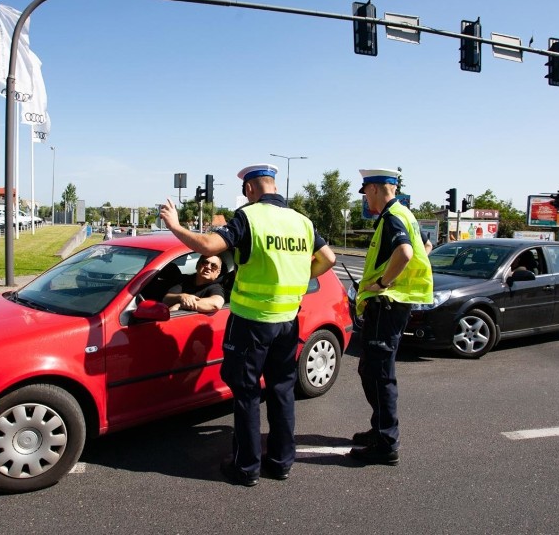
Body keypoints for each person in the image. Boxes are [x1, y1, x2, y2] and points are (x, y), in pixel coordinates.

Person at [159, 163, 335, 486]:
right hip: (288, 322)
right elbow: (329, 259)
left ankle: (246, 467)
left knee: (247, 393)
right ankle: (281, 463)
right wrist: (297, 279)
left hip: (252, 324)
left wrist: (175, 226)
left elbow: (210, 246)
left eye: (245, 192)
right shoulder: (302, 222)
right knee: (282, 391)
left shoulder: (249, 217)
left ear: (251, 189)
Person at [351, 168, 433, 466]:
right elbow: (426, 247)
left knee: (378, 373)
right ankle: (379, 430)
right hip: (394, 305)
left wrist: (384, 283)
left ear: (374, 188)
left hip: (387, 303)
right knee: (371, 370)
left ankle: (386, 442)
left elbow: (406, 252)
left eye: (365, 193)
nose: (365, 200)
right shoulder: (405, 213)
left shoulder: (391, 217)